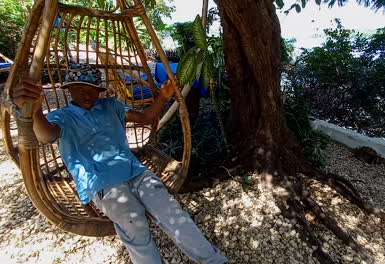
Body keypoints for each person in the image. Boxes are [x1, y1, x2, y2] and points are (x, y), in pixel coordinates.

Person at [13, 65, 228, 264]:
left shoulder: (112, 106)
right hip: (101, 181)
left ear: (100, 91)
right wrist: (36, 111)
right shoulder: (63, 116)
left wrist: (163, 96)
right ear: (70, 90)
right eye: (80, 89)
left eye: (92, 89)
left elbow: (145, 118)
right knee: (134, 225)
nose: (87, 94)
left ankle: (215, 261)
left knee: (173, 213)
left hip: (135, 171)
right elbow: (46, 136)